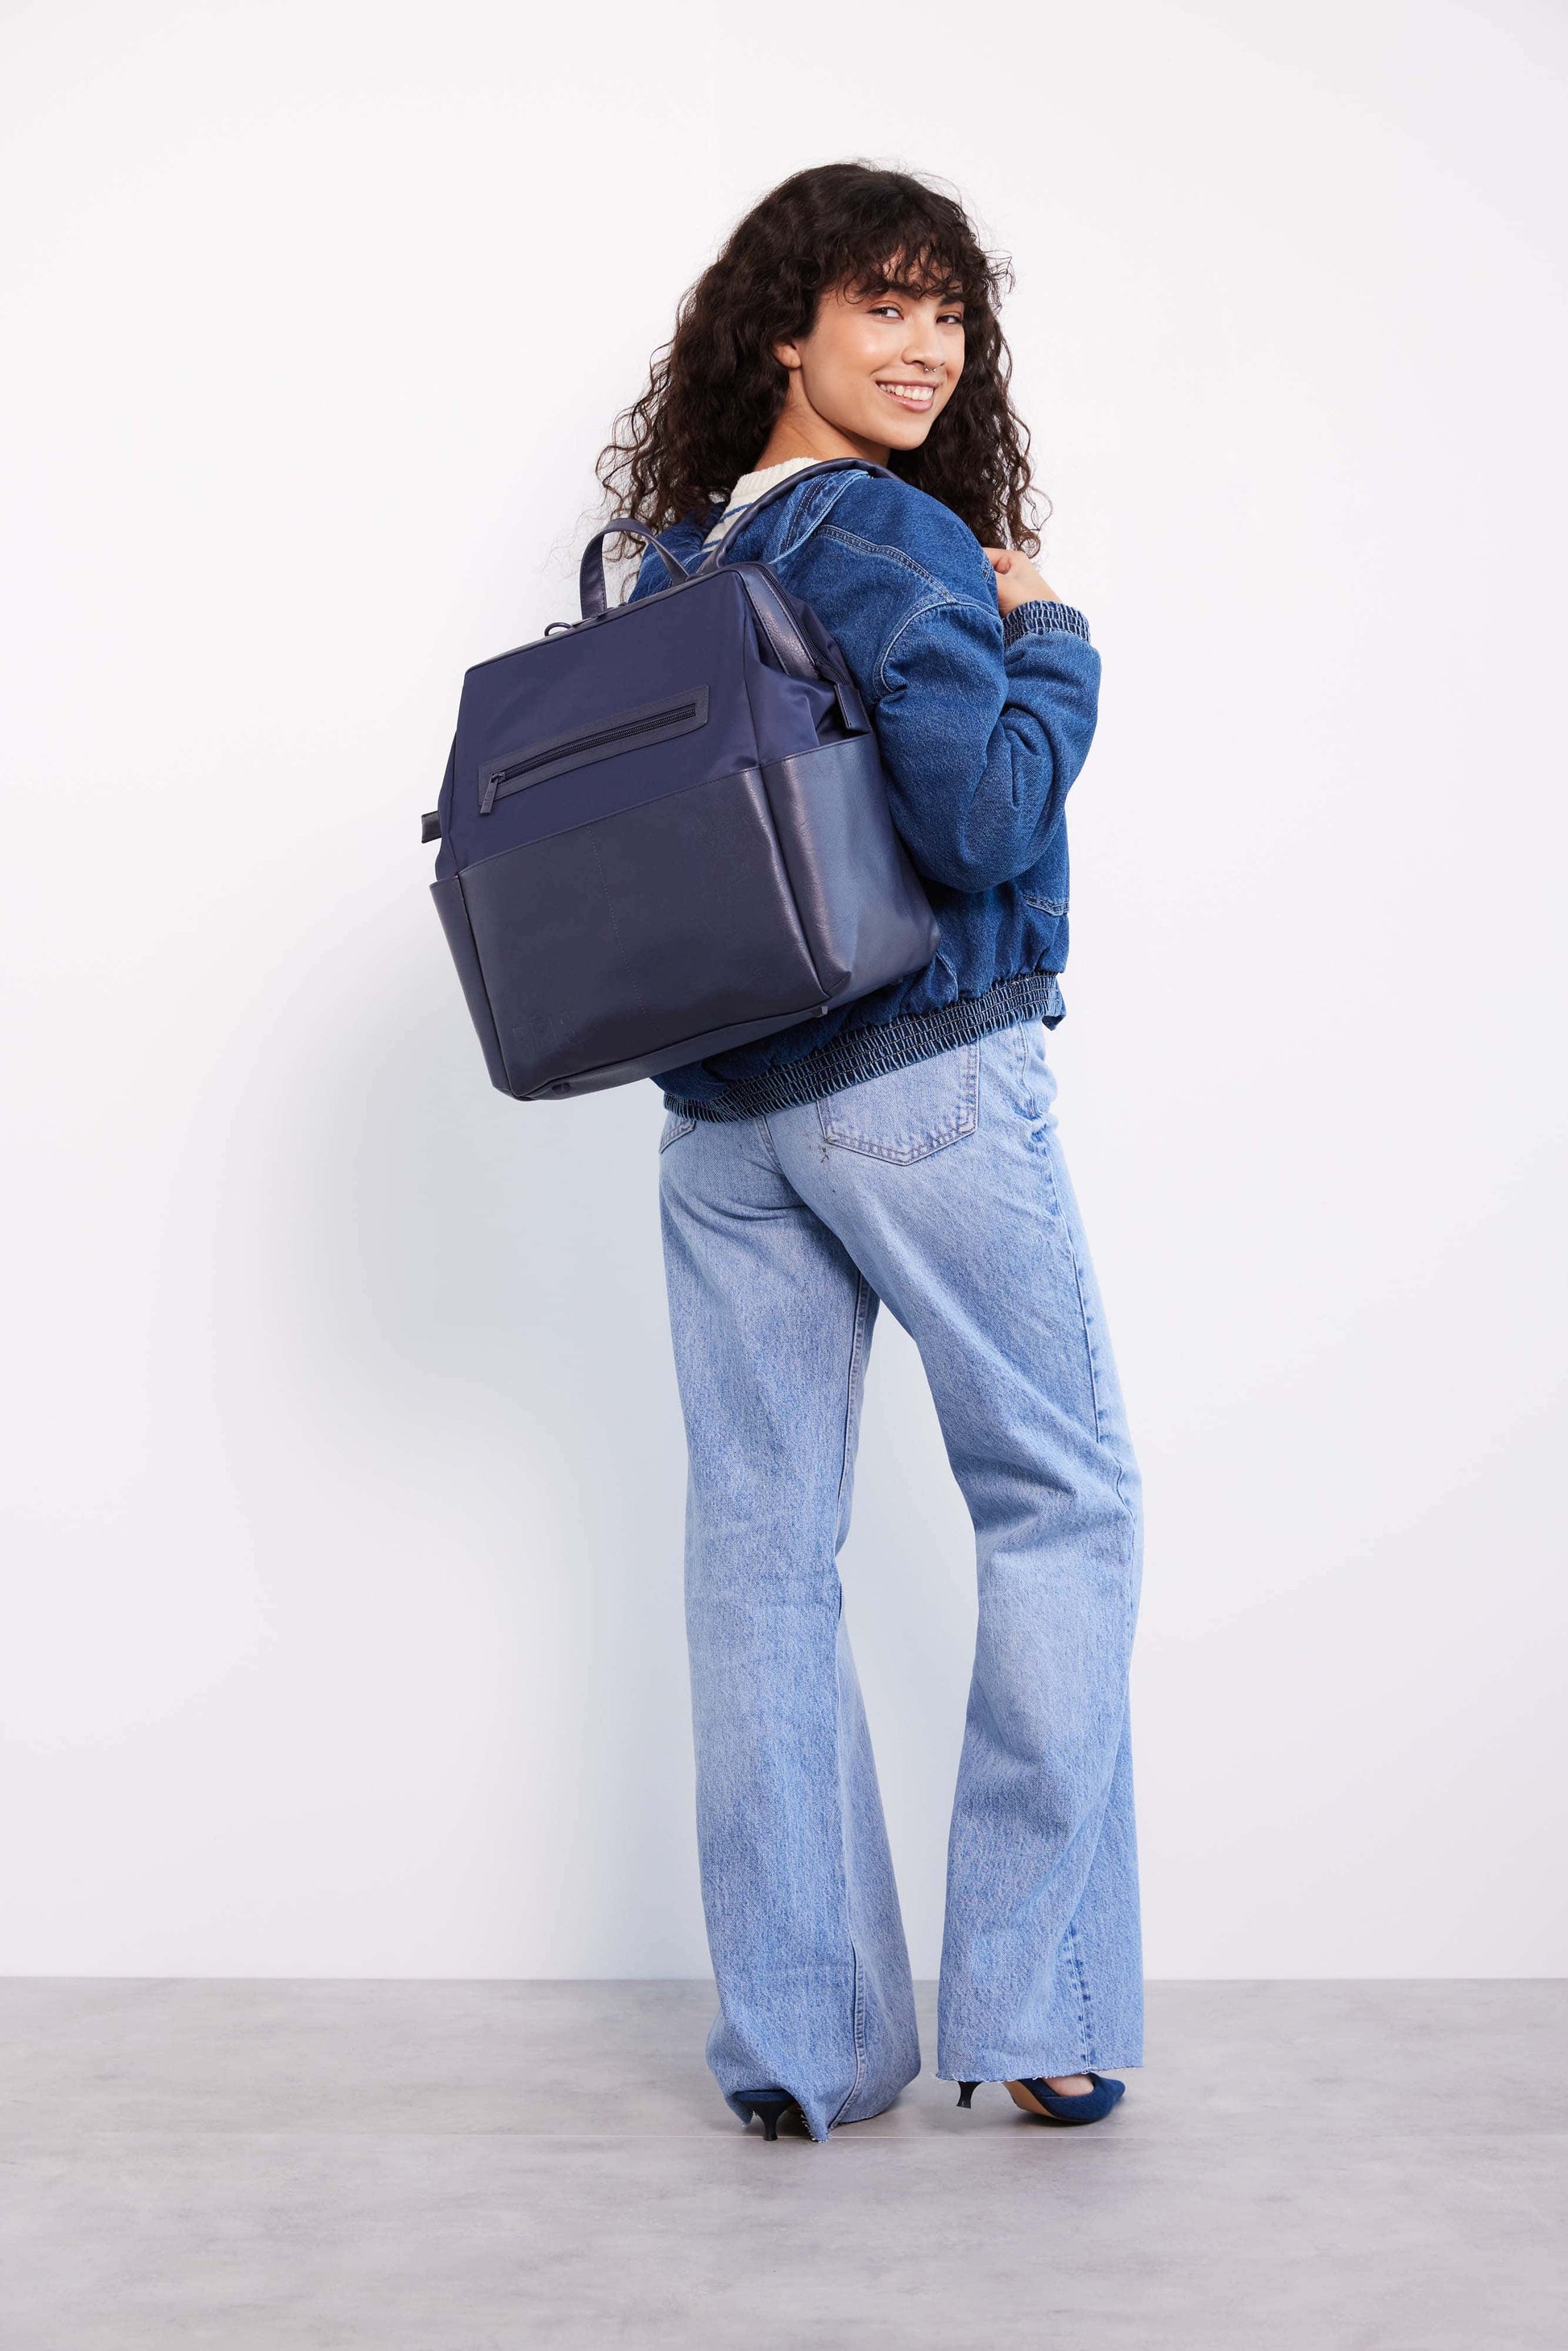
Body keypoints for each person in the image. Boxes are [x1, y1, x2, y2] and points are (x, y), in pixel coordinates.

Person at [599, 163, 1143, 2144]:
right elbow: (985, 817)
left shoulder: (664, 565)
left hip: (722, 1119)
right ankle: (1043, 2006)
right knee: (1060, 1499)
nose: (925, 349)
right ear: (785, 329)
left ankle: (803, 2050)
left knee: (757, 1557)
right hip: (915, 1082)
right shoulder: (892, 535)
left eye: (950, 317)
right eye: (883, 307)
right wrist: (1056, 637)